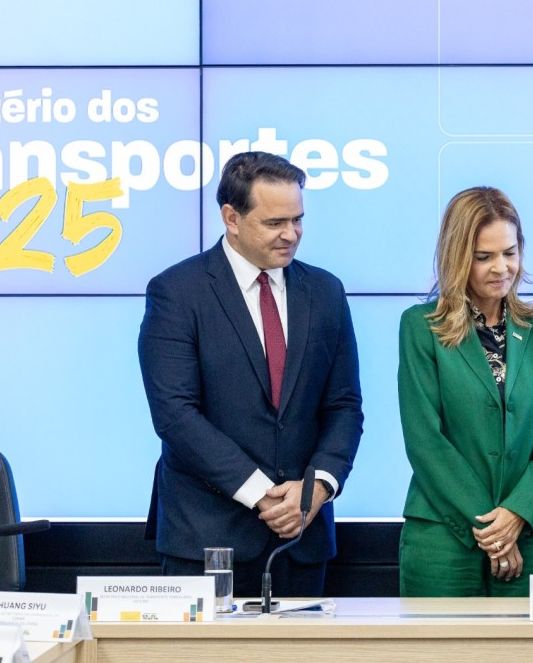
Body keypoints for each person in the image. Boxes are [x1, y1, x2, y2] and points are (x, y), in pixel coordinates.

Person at [138, 151, 364, 598]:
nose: (291, 234)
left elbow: (344, 406)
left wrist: (317, 489)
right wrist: (262, 494)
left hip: (301, 540)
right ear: (232, 218)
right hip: (205, 538)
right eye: (275, 222)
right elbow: (175, 415)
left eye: (298, 220)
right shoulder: (177, 292)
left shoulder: (325, 291)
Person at [397, 186, 533, 597]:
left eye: (510, 253)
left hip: (529, 536)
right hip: (443, 538)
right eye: (484, 257)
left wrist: (517, 513)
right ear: (458, 256)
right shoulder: (420, 327)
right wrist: (492, 529)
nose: (501, 268)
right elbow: (425, 439)